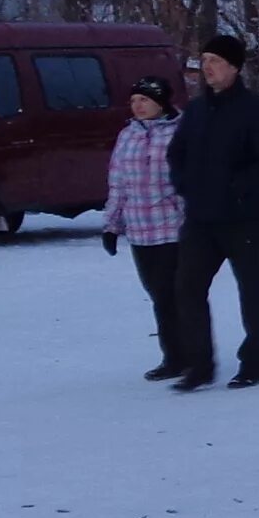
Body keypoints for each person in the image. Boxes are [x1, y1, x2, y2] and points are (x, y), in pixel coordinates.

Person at [164, 32, 259, 392]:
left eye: (216, 61)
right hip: (201, 220)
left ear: (235, 67)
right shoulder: (196, 111)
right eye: (204, 61)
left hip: (243, 219)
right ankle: (200, 364)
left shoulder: (256, 111)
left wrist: (239, 187)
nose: (207, 68)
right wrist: (183, 182)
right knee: (187, 288)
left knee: (251, 291)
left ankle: (254, 363)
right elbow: (177, 153)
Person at [100, 75, 187, 379]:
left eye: (145, 100)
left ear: (160, 103)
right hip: (139, 230)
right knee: (157, 294)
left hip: (172, 228)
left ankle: (184, 355)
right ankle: (173, 354)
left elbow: (189, 180)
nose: (138, 106)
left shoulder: (179, 132)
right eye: (134, 101)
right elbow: (118, 182)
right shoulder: (128, 136)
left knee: (171, 293)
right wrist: (111, 225)